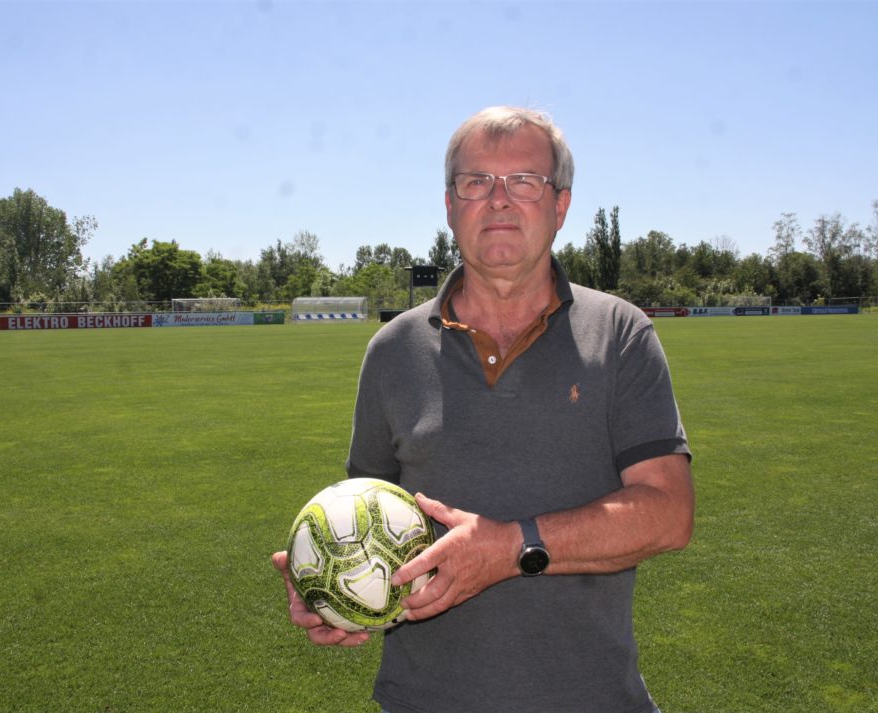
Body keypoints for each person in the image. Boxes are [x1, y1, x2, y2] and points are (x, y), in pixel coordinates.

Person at [272, 106, 694, 713]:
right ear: (450, 206)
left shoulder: (621, 333)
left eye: (524, 180)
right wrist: (332, 592)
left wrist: (510, 548)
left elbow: (668, 513)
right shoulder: (393, 351)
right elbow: (363, 515)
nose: (499, 200)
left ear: (561, 205)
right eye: (476, 182)